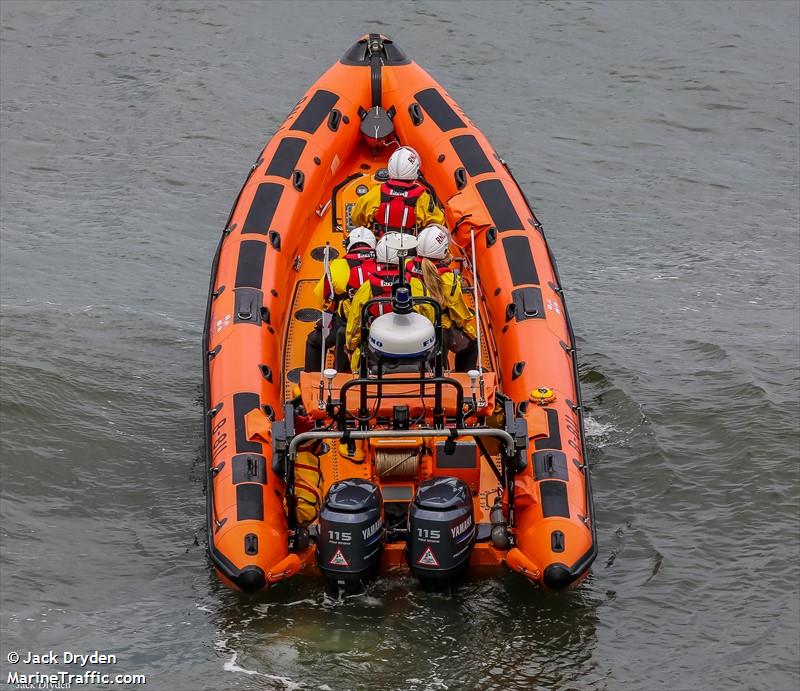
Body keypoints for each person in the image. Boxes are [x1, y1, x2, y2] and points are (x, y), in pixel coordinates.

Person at [345, 232, 434, 371]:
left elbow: (355, 325)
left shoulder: (366, 289)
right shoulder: (417, 285)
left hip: (376, 355)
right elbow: (430, 317)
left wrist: (350, 347)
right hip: (415, 351)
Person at [304, 227, 377, 372]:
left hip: (346, 325)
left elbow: (322, 298)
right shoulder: (382, 265)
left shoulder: (338, 266)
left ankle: (312, 379)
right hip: (378, 324)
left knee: (314, 342)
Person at [414, 224, 478, 372]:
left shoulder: (406, 268)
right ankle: (463, 379)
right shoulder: (448, 280)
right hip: (437, 329)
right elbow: (459, 316)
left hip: (413, 325)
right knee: (471, 345)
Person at [350, 146, 445, 236]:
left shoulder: (376, 192)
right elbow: (437, 223)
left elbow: (355, 218)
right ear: (415, 169)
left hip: (380, 246)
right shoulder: (423, 197)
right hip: (410, 248)